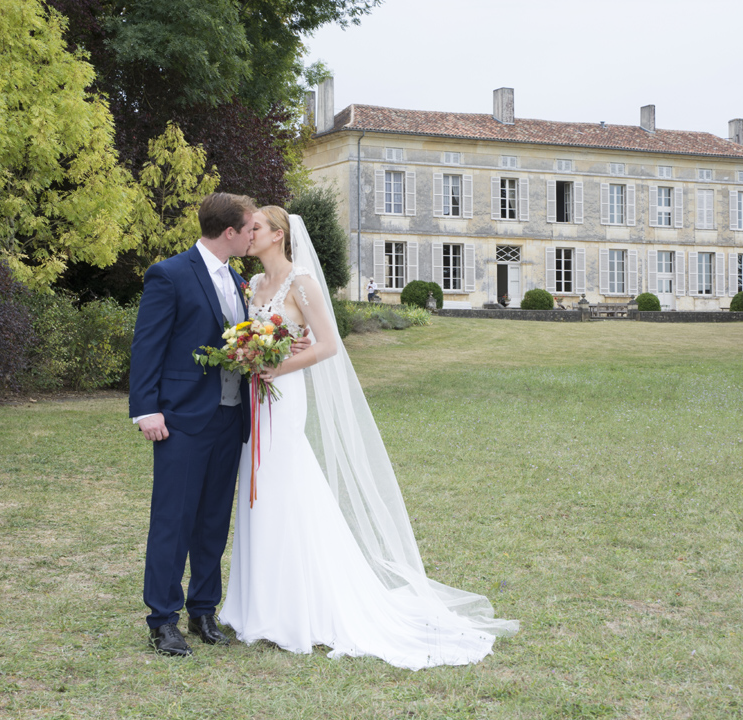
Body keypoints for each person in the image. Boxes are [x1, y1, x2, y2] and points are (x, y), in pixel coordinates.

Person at [218, 207, 518, 670]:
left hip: (283, 393)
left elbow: (328, 344)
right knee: (257, 494)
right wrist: (247, 352)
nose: (247, 233)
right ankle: (256, 604)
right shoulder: (253, 286)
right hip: (255, 398)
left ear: (278, 235)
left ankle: (297, 609)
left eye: (255, 227)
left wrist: (275, 365)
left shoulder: (302, 282)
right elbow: (251, 333)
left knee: (281, 485)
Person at [128, 193, 257, 657]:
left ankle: (203, 610)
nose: (251, 237)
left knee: (212, 521)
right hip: (181, 419)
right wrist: (147, 410)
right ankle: (162, 620)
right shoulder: (170, 274)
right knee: (173, 521)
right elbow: (148, 346)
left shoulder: (240, 280)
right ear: (229, 232)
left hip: (229, 418)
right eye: (248, 229)